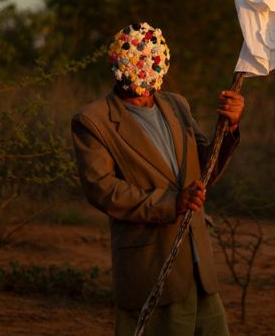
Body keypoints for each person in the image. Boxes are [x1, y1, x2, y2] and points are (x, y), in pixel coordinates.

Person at [71, 22, 244, 336]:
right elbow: (103, 189)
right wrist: (170, 203)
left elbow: (205, 169)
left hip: (198, 266)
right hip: (150, 267)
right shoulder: (93, 121)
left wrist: (229, 128)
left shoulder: (176, 104)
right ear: (116, 68)